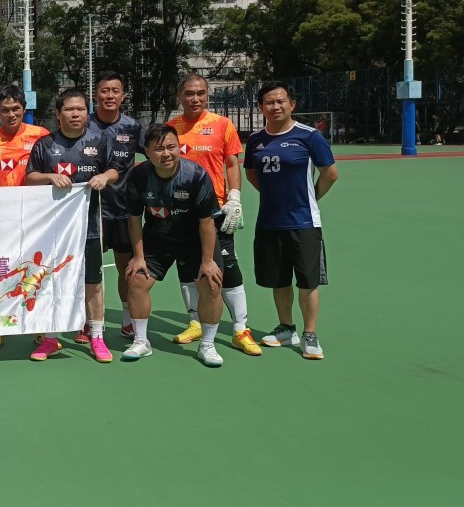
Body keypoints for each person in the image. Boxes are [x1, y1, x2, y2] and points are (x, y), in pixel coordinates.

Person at [166, 74, 261, 356]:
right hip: (180, 211)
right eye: (189, 93)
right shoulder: (170, 128)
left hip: (216, 210)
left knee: (227, 268)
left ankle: (240, 329)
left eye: (200, 93)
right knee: (187, 268)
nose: (195, 99)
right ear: (179, 96)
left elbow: (231, 163)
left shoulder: (222, 125)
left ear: (207, 95)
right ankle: (195, 322)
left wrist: (235, 197)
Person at [245, 82, 338, 360]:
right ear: (261, 107)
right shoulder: (255, 140)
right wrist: (272, 195)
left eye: (280, 101)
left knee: (308, 281)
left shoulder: (309, 136)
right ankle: (286, 328)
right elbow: (251, 173)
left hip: (303, 222)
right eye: (269, 102)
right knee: (279, 279)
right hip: (269, 222)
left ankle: (310, 334)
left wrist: (310, 198)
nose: (275, 106)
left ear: (291, 104)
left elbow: (330, 173)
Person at [24, 89, 118, 363]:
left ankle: (96, 336)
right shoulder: (45, 144)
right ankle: (50, 338)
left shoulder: (99, 140)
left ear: (87, 113)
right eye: (69, 109)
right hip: (53, 229)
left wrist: (105, 177)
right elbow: (30, 177)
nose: (75, 114)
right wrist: (50, 177)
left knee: (93, 283)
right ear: (58, 114)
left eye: (80, 109)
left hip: (89, 225)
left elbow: (114, 170)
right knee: (49, 280)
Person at [123, 124, 226, 367]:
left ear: (179, 147)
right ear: (147, 152)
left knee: (211, 284)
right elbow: (134, 218)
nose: (166, 154)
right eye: (159, 149)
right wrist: (138, 257)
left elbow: (206, 222)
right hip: (157, 237)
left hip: (194, 238)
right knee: (136, 279)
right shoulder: (139, 176)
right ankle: (141, 341)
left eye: (171, 147)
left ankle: (207, 345)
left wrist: (208, 261)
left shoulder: (196, 175)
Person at [0, 85, 50, 353]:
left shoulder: (41, 136)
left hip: (35, 217)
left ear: (24, 109)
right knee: (1, 272)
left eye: (15, 109)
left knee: (36, 272)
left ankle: (41, 327)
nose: (11, 114)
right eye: (5, 110)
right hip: (0, 219)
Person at [87, 71, 145, 339]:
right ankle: (87, 321)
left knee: (127, 267)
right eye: (104, 90)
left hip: (124, 211)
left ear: (123, 96)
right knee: (89, 269)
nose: (109, 95)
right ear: (95, 95)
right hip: (89, 211)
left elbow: (156, 154)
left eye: (115, 91)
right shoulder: (84, 124)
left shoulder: (133, 127)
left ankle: (127, 319)